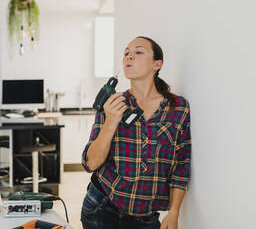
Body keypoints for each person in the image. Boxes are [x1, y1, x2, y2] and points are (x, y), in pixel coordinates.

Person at [80, 36, 192, 229]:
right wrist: (111, 122)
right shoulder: (112, 104)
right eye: (126, 53)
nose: (128, 57)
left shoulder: (178, 108)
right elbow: (90, 163)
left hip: (145, 216)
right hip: (101, 207)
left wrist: (174, 212)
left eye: (138, 52)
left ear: (157, 64)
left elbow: (181, 165)